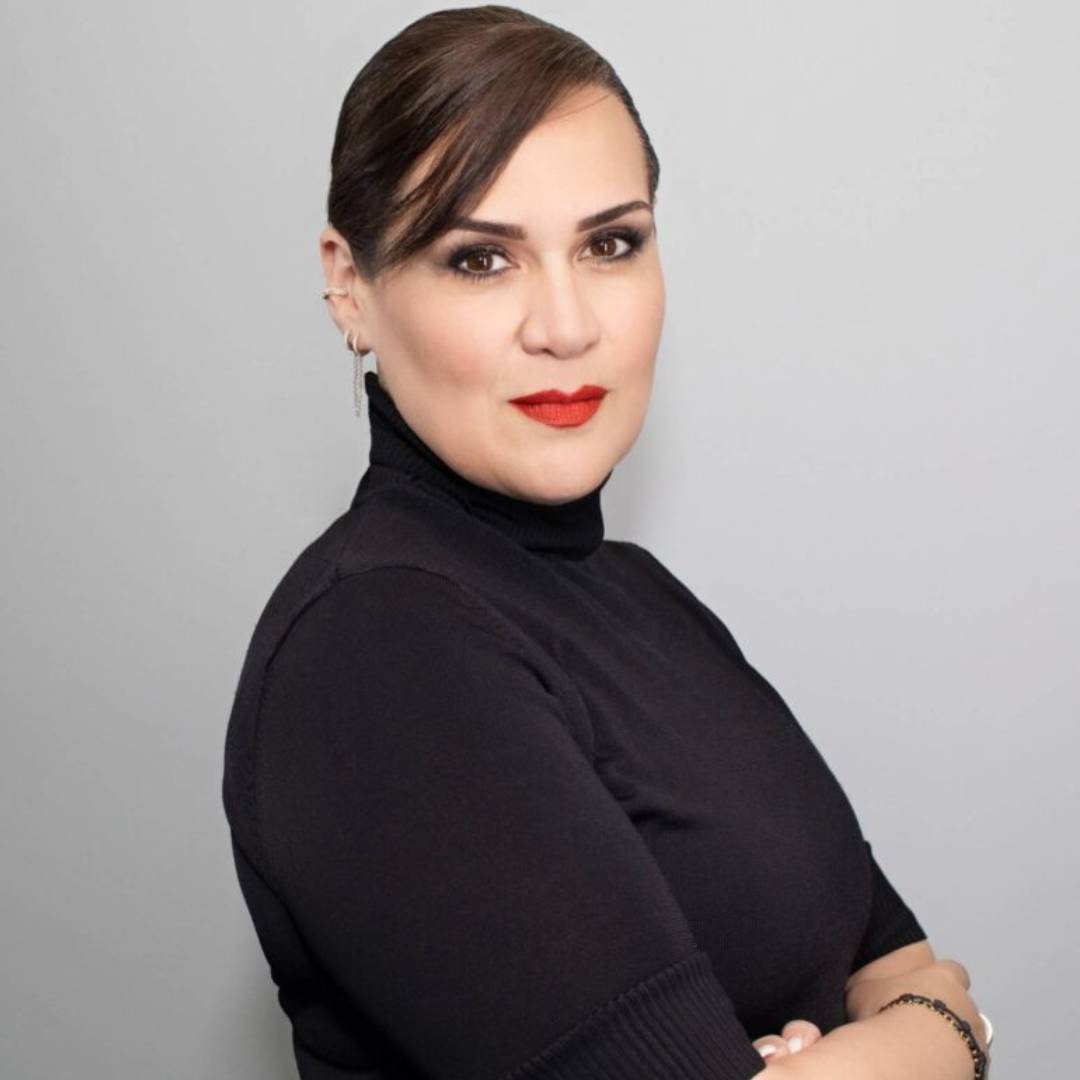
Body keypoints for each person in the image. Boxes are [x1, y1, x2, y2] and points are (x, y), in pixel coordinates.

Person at [222, 6, 992, 1079]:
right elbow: (919, 995)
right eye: (481, 259)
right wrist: (939, 1042)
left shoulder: (639, 596)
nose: (567, 325)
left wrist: (916, 1027)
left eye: (610, 243)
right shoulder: (377, 648)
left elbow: (901, 956)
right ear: (350, 282)